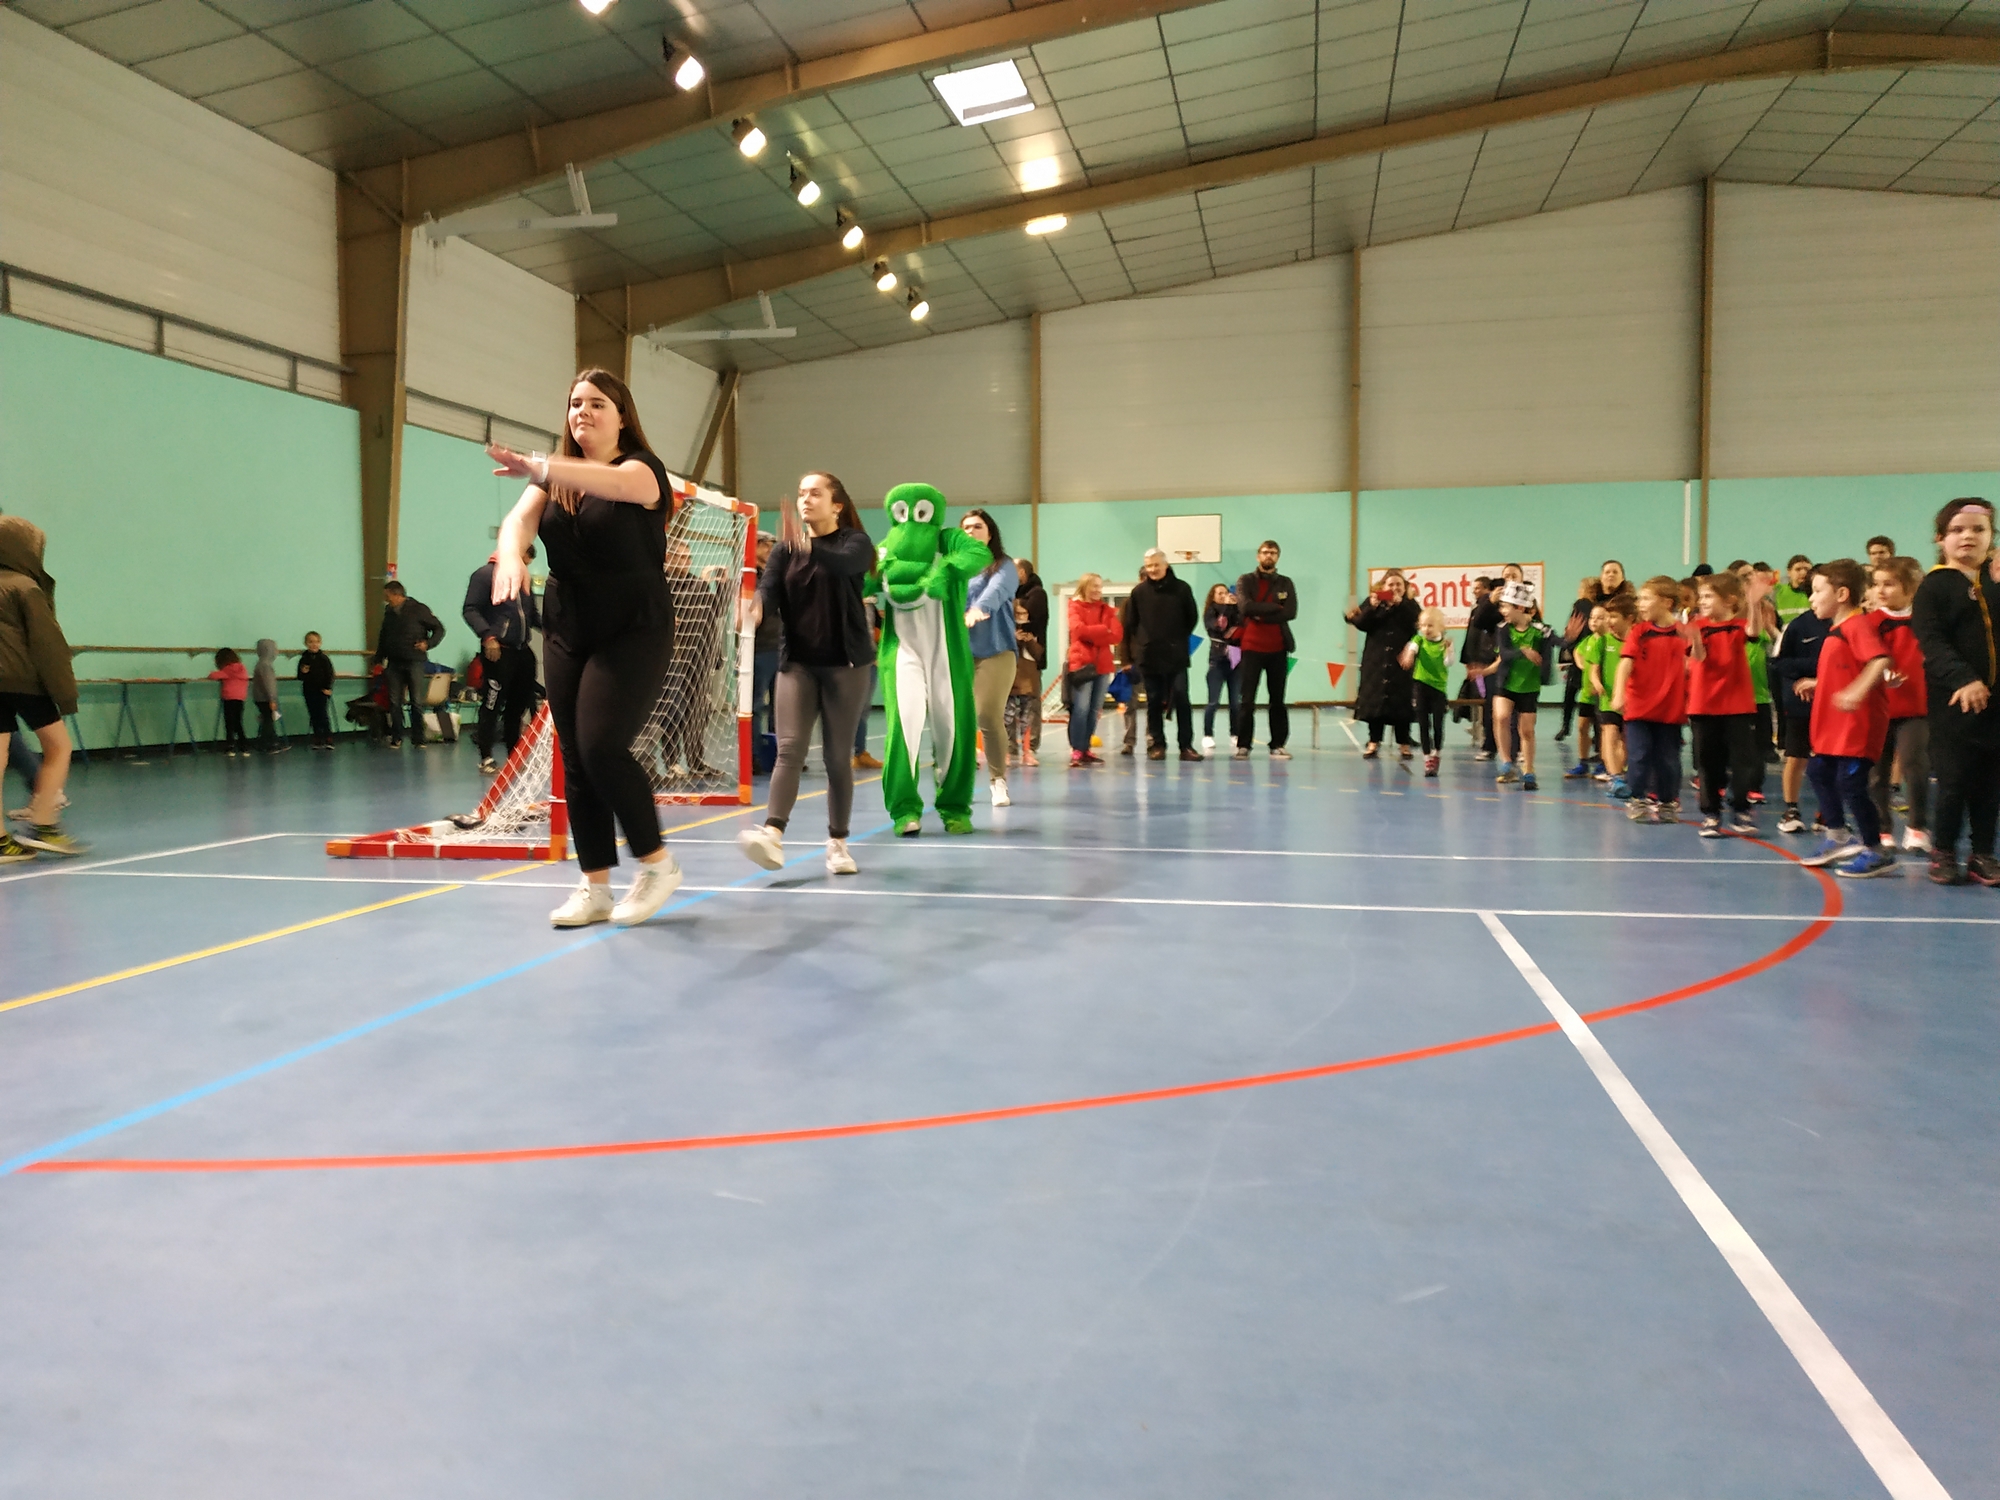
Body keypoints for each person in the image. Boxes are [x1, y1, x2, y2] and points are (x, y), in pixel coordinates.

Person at [488, 367, 682, 928]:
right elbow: (517, 521)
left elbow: (614, 487)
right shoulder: (552, 478)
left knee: (601, 747)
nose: (583, 412)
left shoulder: (642, 470)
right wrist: (510, 554)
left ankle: (658, 865)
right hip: (568, 623)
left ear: (621, 416)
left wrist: (542, 467)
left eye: (597, 403)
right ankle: (595, 886)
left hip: (633, 625)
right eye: (576, 403)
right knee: (573, 753)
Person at [737, 472, 875, 877]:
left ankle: (838, 843)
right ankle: (772, 834)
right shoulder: (785, 551)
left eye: (816, 493)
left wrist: (808, 546)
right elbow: (770, 589)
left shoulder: (855, 542)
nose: (806, 500)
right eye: (801, 494)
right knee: (789, 749)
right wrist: (758, 608)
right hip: (798, 663)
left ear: (837, 505)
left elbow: (845, 565)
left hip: (847, 665)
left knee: (836, 757)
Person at [1913, 497, 2000, 886]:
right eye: (1957, 529)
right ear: (1940, 538)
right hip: (1954, 704)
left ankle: (1982, 853)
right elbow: (1932, 642)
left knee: (1990, 785)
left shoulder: (1994, 583)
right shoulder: (1934, 586)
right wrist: (1963, 678)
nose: (1968, 536)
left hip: (1996, 706)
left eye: (1978, 530)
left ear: (1991, 537)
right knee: (1954, 782)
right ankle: (1944, 851)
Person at [1797, 559, 1895, 878]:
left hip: (1857, 726)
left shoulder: (1857, 625)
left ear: (1841, 594)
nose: (1811, 598)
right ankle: (1838, 836)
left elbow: (1879, 660)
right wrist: (1820, 683)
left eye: (1817, 591)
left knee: (1851, 784)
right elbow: (1848, 667)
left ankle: (1876, 850)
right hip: (1833, 727)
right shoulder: (1837, 630)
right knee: (1818, 771)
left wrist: (1857, 691)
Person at [0, 515, 84, 860]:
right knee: (59, 747)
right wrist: (65, 693)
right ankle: (45, 825)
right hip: (24, 682)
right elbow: (48, 645)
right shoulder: (26, 587)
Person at [1686, 570, 1761, 837]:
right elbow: (1699, 658)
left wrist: (1754, 603)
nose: (1702, 601)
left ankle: (1740, 808)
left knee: (1742, 762)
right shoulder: (1698, 625)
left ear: (1729, 600)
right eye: (1701, 597)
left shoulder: (1739, 626)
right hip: (1703, 705)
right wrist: (1695, 639)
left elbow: (1754, 630)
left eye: (1708, 596)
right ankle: (1711, 813)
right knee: (1707, 762)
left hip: (1737, 705)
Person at [1613, 575, 1690, 823]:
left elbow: (1692, 666)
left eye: (1646, 599)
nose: (1640, 604)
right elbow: (1625, 664)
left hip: (1670, 709)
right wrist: (1618, 693)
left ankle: (1667, 801)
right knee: (1639, 755)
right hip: (1639, 708)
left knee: (1668, 759)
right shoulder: (1639, 632)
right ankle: (1638, 798)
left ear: (1667, 602)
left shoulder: (1683, 634)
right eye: (1640, 599)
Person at [1867, 556, 1930, 855]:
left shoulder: (1926, 622)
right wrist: (1881, 674)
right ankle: (1882, 828)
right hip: (1879, 707)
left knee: (1914, 764)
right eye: (1877, 584)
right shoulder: (1870, 623)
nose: (1881, 590)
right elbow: (1865, 658)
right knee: (1877, 772)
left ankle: (1917, 827)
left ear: (1911, 587)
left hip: (1916, 707)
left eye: (1889, 584)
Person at [463, 545, 542, 775]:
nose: (526, 564)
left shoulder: (523, 579)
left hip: (521, 651)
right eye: (525, 559)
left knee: (517, 707)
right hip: (498, 651)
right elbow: (470, 609)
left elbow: (532, 616)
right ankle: (486, 757)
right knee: (492, 705)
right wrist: (488, 637)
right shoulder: (484, 575)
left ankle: (514, 755)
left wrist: (554, 631)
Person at [959, 509, 1019, 804]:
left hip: (996, 651)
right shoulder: (955, 568)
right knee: (955, 720)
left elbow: (998, 589)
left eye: (977, 526)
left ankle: (998, 780)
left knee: (987, 714)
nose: (971, 531)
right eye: (966, 527)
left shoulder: (1003, 566)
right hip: (959, 653)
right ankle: (956, 783)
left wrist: (979, 608)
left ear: (989, 533)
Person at [1126, 548, 1202, 761]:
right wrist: (1141, 646)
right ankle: (1157, 744)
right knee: (1153, 701)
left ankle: (1186, 746)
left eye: (1156, 565)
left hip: (1176, 655)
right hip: (1149, 656)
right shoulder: (1138, 593)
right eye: (1149, 565)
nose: (1152, 569)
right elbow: (1131, 623)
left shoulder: (1182, 589)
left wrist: (1176, 639)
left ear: (1166, 565)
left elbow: (1191, 617)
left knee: (1181, 697)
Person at [1768, 588, 1832, 835]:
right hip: (1800, 704)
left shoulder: (1846, 625)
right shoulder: (1797, 626)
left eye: (1820, 591)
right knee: (1796, 756)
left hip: (1833, 704)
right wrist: (1804, 678)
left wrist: (1822, 677)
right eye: (1813, 591)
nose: (1814, 597)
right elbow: (1780, 662)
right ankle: (1791, 809)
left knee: (1831, 758)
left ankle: (1827, 812)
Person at [1484, 579, 1553, 790]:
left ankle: (1529, 770)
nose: (1502, 611)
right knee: (1501, 716)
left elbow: (1558, 641)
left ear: (1520, 608)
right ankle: (1506, 761)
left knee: (1527, 730)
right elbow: (1504, 653)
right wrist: (1523, 651)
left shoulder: (1540, 630)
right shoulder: (1503, 629)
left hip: (1529, 685)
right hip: (1506, 682)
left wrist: (1569, 639)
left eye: (1506, 607)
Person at [1347, 569, 1420, 759]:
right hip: (1376, 659)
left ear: (1405, 587)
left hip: (1401, 660)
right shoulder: (1374, 601)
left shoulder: (1410, 604)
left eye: (1398, 585)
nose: (1394, 588)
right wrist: (1372, 607)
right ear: (1384, 586)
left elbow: (1416, 623)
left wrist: (1400, 604)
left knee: (1402, 701)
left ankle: (1404, 743)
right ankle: (1373, 741)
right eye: (1391, 584)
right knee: (1375, 700)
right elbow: (1360, 623)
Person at [1234, 539, 1296, 760]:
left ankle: (1277, 744)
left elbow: (1290, 612)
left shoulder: (1286, 582)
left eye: (1273, 553)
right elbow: (1245, 606)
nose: (1269, 555)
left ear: (1277, 557)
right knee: (1247, 699)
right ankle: (1243, 745)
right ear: (1258, 556)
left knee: (1277, 699)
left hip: (1278, 648)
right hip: (1251, 647)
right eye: (1265, 552)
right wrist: (1274, 608)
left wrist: (1260, 614)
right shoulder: (1245, 580)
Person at [372, 580, 445, 748]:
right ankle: (396, 736)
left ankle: (419, 738)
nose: (386, 599)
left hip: (414, 661)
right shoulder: (389, 612)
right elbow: (383, 636)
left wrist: (428, 643)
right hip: (394, 662)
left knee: (416, 701)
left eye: (388, 596)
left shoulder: (419, 609)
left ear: (397, 595)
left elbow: (439, 629)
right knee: (394, 702)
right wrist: (378, 659)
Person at [1065, 572, 1121, 767]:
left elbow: (1116, 635)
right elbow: (1077, 630)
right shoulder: (1074, 606)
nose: (1098, 590)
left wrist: (1091, 634)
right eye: (1094, 586)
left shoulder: (1106, 609)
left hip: (1103, 665)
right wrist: (1102, 631)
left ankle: (1086, 747)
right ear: (1085, 587)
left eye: (1100, 586)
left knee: (1095, 709)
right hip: (1082, 665)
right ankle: (1077, 749)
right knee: (1081, 708)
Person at [1400, 605, 1452, 776]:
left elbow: (1448, 663)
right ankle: (1427, 758)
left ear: (1440, 627)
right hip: (1421, 686)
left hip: (1438, 688)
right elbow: (1412, 648)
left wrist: (1448, 651)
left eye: (1430, 625)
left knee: (1438, 724)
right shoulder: (1419, 640)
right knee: (1423, 723)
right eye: (1423, 625)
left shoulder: (1444, 643)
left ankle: (1437, 753)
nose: (1426, 629)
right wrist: (1409, 655)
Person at [1007, 558, 1048, 767]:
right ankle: (1008, 747)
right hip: (1009, 664)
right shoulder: (1010, 593)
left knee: (1029, 707)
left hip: (1029, 663)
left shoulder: (1037, 594)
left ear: (1022, 572)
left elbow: (1032, 623)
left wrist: (1025, 637)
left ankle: (1029, 746)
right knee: (1007, 709)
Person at [1458, 575, 1499, 758]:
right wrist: (1468, 659)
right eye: (1473, 588)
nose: (1474, 591)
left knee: (1489, 700)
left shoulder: (1491, 609)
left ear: (1487, 589)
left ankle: (1489, 734)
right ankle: (1482, 731)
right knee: (1481, 697)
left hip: (1489, 661)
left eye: (1478, 588)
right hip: (1478, 662)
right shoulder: (1477, 609)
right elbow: (1471, 636)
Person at [750, 530, 781, 759]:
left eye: (771, 545)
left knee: (781, 707)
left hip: (780, 647)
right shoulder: (748, 578)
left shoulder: (774, 575)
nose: (769, 549)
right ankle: (753, 756)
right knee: (754, 705)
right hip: (759, 649)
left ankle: (779, 755)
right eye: (764, 544)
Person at [1200, 583, 1239, 749]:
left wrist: (1234, 606)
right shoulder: (1211, 612)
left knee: (1236, 702)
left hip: (1235, 661)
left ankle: (1235, 734)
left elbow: (1240, 626)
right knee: (1213, 701)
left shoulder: (1235, 610)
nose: (1224, 596)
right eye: (1220, 593)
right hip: (1217, 661)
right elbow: (1219, 626)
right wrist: (1227, 608)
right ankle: (1208, 735)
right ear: (1213, 596)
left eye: (1226, 593)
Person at [852, 598, 884, 771]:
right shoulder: (845, 597)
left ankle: (860, 753)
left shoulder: (870, 604)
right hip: (848, 661)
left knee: (863, 708)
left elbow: (877, 628)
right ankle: (841, 754)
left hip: (869, 660)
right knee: (843, 709)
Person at [296, 631, 335, 750]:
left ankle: (328, 737)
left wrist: (327, 688)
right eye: (311, 642)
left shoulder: (324, 658)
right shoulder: (304, 659)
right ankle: (317, 738)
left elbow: (330, 674)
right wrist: (303, 672)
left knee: (322, 714)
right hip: (309, 691)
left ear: (320, 643)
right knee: (313, 715)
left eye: (316, 642)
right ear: (306, 643)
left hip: (322, 691)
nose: (314, 644)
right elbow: (299, 677)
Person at [209, 646, 250, 756]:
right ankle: (244, 747)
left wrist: (213, 673)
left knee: (229, 723)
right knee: (238, 722)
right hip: (240, 698)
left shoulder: (227, 669)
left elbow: (213, 676)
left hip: (229, 698)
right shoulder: (242, 668)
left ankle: (230, 747)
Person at [250, 638, 287, 754]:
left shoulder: (261, 664)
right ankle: (268, 744)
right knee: (268, 721)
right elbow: (269, 684)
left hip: (260, 697)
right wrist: (272, 699)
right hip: (265, 698)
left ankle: (270, 742)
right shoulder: (266, 665)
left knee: (267, 720)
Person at [1773, 554, 1814, 629]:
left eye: (1807, 569)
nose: (1803, 573)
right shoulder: (1777, 592)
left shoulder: (1816, 593)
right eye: (1798, 569)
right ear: (1789, 572)